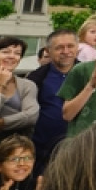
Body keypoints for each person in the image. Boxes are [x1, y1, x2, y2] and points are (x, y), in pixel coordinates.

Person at [27, 29, 79, 168]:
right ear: (48, 51)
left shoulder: (90, 74)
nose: (66, 51)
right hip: (43, 149)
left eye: (70, 46)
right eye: (59, 47)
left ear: (77, 48)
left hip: (80, 147)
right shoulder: (36, 78)